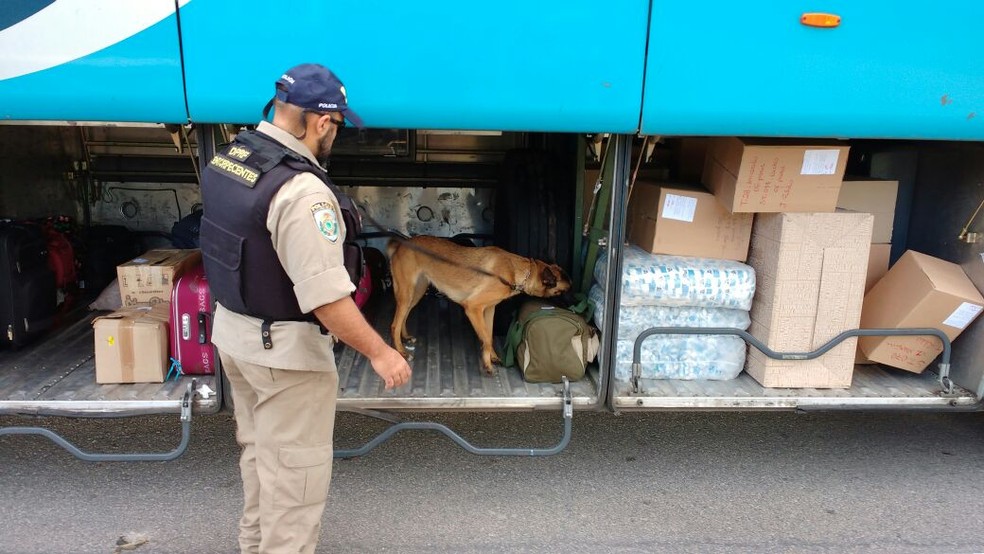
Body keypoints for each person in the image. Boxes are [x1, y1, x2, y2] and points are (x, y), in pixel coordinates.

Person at [199, 63, 412, 554]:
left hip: (235, 336)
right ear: (321, 121)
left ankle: (253, 546)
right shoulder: (301, 192)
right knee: (295, 479)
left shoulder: (232, 157)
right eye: (335, 126)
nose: (333, 135)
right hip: (284, 357)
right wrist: (380, 353)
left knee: (260, 458)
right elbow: (325, 299)